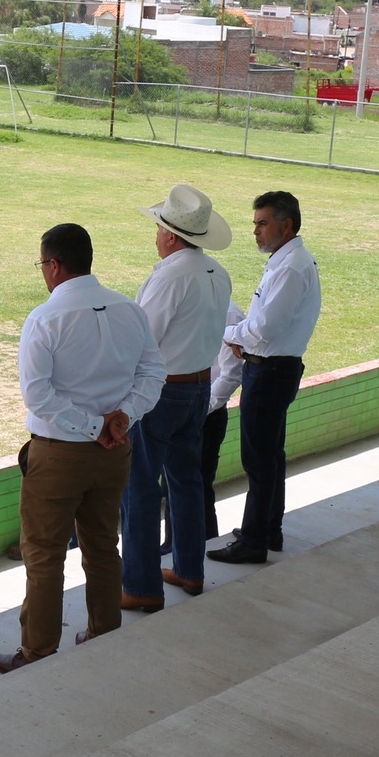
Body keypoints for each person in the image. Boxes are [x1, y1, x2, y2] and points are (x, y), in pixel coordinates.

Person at [0, 223, 164, 673]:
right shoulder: (129, 309)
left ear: (53, 265)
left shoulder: (45, 318)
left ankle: (38, 649)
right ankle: (104, 632)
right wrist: (121, 417)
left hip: (60, 453)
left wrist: (92, 426)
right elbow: (153, 373)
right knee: (104, 545)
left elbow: (39, 396)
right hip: (114, 451)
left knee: (44, 553)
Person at [120, 184, 233, 611]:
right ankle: (189, 568)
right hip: (199, 387)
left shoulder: (169, 275)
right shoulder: (216, 272)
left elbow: (142, 339)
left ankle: (140, 584)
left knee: (140, 487)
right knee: (186, 482)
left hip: (162, 392)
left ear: (169, 234)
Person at [209, 191, 322, 566]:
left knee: (258, 459)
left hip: (270, 370)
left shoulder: (291, 267)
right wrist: (245, 337)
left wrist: (230, 335)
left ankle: (255, 539)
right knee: (270, 455)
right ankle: (267, 528)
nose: (255, 231)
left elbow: (266, 328)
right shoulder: (287, 261)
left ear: (286, 225)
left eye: (262, 223)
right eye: (255, 223)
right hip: (271, 367)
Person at [200, 300, 247, 545]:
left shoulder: (226, 311)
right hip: (185, 410)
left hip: (206, 414)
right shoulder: (187, 301)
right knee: (174, 487)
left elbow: (231, 373)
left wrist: (201, 409)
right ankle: (173, 547)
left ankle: (205, 545)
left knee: (199, 488)